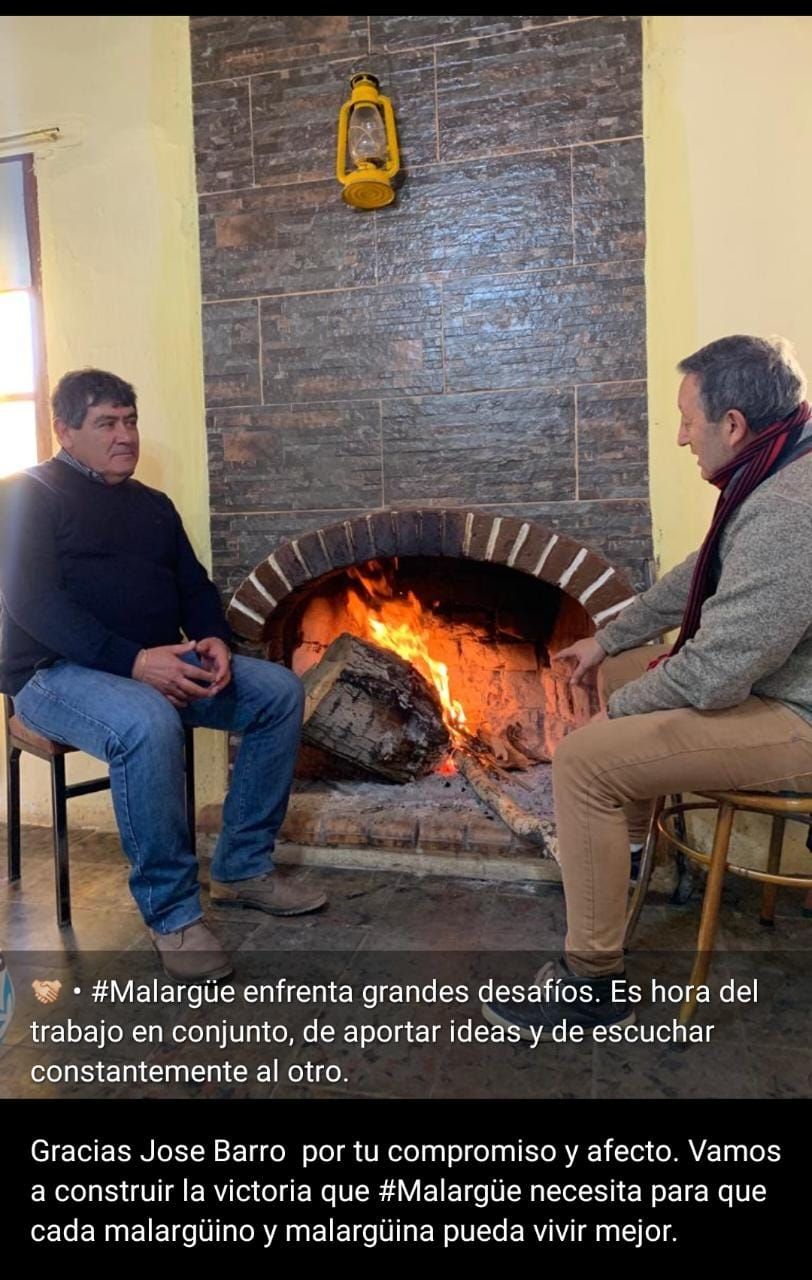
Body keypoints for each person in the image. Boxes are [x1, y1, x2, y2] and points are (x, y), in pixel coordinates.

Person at [483, 334, 812, 1039]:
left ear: (733, 424)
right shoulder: (777, 467)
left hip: (798, 713)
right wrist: (607, 640)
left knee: (584, 759)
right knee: (621, 675)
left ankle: (592, 985)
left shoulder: (792, 508)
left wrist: (617, 715)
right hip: (775, 682)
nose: (681, 437)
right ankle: (620, 856)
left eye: (688, 420)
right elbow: (700, 572)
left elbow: (720, 671)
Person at [0, 369, 327, 980]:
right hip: (53, 674)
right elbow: (34, 605)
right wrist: (134, 662)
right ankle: (172, 914)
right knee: (148, 723)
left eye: (130, 421)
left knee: (278, 692)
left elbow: (193, 586)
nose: (124, 435)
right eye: (106, 423)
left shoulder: (152, 505)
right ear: (64, 430)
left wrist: (213, 637)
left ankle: (242, 868)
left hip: (153, 662)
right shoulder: (25, 495)